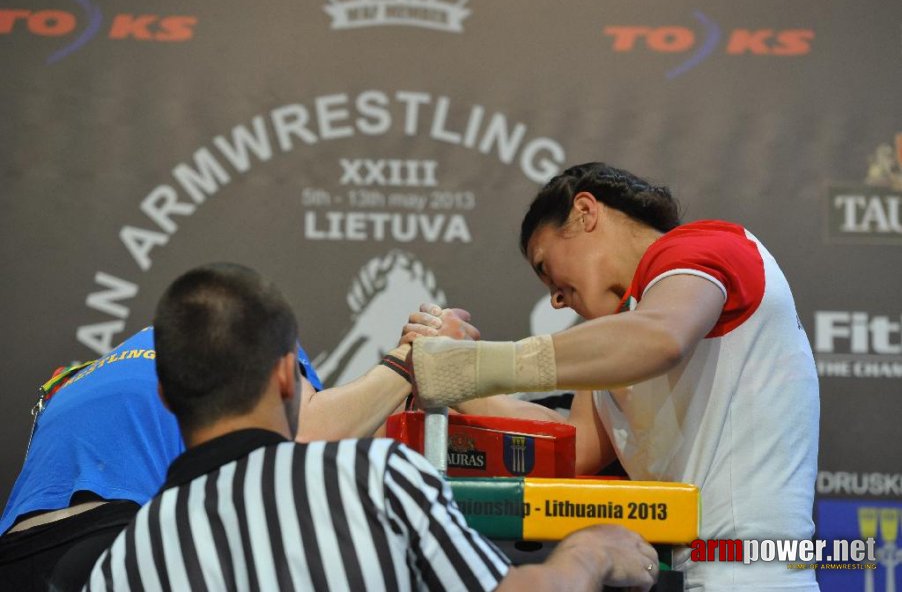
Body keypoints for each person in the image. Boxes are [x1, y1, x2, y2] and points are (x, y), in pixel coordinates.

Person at [83, 262, 659, 591]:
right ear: (288, 377)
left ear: (163, 394)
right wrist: (590, 550)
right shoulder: (375, 475)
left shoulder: (126, 556)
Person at [408, 162, 820, 591]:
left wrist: (470, 364)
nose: (555, 299)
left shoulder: (705, 245)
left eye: (546, 267)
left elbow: (662, 337)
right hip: (677, 574)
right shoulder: (624, 335)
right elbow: (571, 446)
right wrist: (453, 377)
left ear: (585, 211)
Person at [0, 304, 443, 590]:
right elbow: (311, 436)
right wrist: (411, 360)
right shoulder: (253, 346)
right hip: (111, 547)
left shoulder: (116, 366)